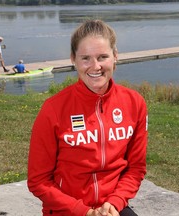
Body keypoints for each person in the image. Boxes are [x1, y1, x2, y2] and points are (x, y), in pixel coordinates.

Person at [28, 19, 148, 216]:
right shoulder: (53, 109)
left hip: (112, 208)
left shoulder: (135, 103)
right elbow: (38, 181)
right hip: (66, 210)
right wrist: (84, 211)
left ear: (115, 56)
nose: (95, 66)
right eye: (86, 58)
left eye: (102, 57)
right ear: (73, 59)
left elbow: (136, 168)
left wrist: (115, 202)